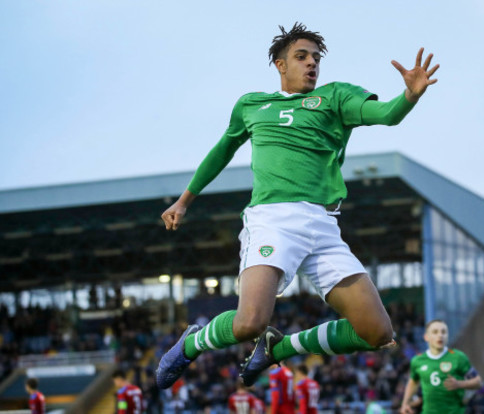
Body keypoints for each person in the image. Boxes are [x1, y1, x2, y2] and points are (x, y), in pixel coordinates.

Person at [155, 21, 440, 389]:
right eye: (301, 57)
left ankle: (280, 347)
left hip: (324, 227)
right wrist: (184, 200)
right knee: (248, 324)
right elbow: (222, 151)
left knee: (377, 332)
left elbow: (387, 115)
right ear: (280, 64)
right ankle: (192, 342)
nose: (311, 64)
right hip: (273, 220)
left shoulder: (335, 97)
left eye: (316, 58)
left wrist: (409, 96)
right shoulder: (252, 105)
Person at [399, 319, 481, 414]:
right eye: (435, 332)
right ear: (426, 337)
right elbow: (413, 382)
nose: (440, 335)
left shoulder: (458, 357)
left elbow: (478, 382)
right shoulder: (417, 361)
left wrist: (459, 384)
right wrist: (405, 404)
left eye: (444, 332)